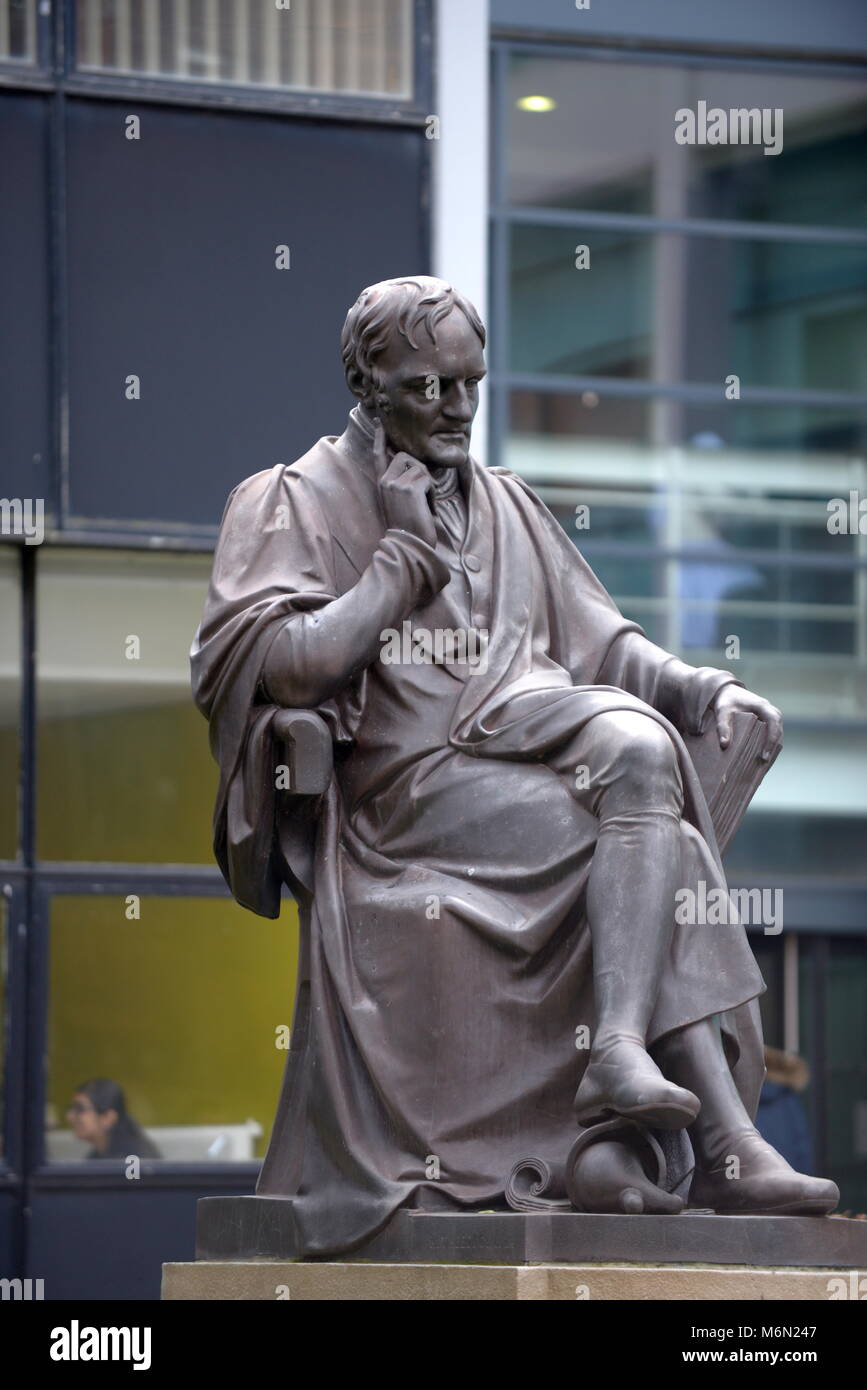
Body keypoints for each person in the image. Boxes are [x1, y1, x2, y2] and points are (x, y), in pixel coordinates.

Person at [191, 275, 838, 1255]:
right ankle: (710, 1132)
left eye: (469, 384)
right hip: (402, 799)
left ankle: (651, 1090)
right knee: (644, 799)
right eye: (428, 387)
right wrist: (402, 561)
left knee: (640, 758)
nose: (456, 409)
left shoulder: (507, 504)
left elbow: (605, 646)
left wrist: (699, 687)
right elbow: (279, 660)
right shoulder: (290, 499)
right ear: (369, 385)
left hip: (528, 759)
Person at [66, 1078, 161, 1160]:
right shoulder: (101, 1154)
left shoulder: (132, 1161)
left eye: (80, 1109)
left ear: (108, 1118)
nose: (70, 1116)